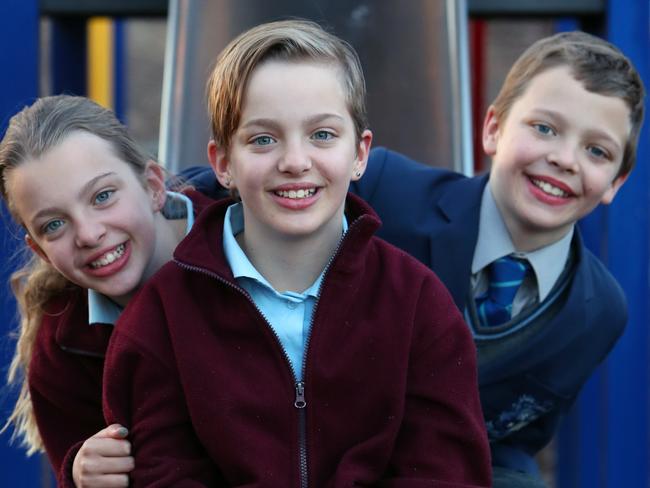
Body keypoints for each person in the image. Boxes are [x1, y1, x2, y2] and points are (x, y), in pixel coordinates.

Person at [186, 31, 645, 486]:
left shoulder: (598, 312)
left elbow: (517, 437)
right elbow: (218, 187)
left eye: (596, 151)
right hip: (314, 452)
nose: (564, 158)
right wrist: (162, 208)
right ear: (493, 129)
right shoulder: (390, 190)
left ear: (615, 183)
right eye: (544, 128)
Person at [102, 19, 492, 486]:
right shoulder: (162, 317)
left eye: (322, 135)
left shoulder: (417, 304)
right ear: (223, 163)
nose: (294, 161)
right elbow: (162, 473)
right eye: (263, 139)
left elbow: (445, 473)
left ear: (360, 154)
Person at [0, 95, 218, 487]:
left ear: (152, 186)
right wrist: (81, 472)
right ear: (40, 252)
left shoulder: (243, 246)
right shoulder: (63, 349)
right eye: (54, 225)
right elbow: (76, 457)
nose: (88, 234)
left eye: (102, 196)